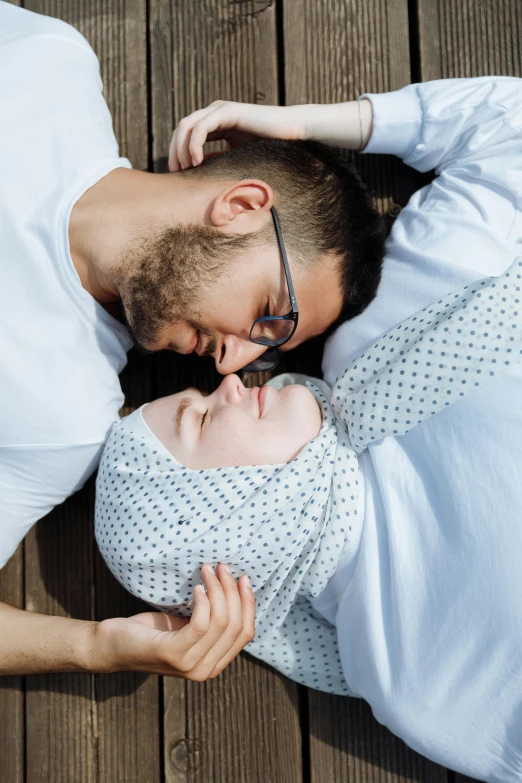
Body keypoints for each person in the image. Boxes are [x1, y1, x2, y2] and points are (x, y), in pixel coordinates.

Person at [0, 2, 383, 675]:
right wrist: (301, 123)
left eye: (267, 353)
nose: (234, 362)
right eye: (269, 315)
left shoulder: (66, 422)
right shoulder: (47, 66)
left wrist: (99, 646)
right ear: (240, 207)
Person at [95, 256, 522, 782]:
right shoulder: (417, 681)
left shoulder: (379, 329)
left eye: (202, 394)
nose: (228, 383)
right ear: (218, 520)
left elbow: (490, 172)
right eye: (202, 417)